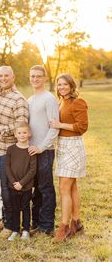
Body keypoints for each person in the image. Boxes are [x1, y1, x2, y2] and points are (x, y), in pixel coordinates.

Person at [0, 66, 29, 236]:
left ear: (13, 77)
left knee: (6, 189)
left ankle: (11, 226)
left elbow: (22, 124)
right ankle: (5, 218)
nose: (3, 78)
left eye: (6, 75)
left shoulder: (18, 99)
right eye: (0, 75)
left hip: (7, 152)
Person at [49, 73, 88, 242]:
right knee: (71, 188)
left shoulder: (78, 102)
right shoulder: (61, 101)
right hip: (63, 146)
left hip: (73, 146)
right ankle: (77, 223)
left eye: (65, 85)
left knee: (64, 188)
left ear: (72, 86)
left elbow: (82, 127)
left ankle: (64, 228)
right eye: (59, 85)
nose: (62, 87)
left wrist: (60, 125)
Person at [28, 65, 59, 235]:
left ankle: (47, 226)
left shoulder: (49, 98)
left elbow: (54, 128)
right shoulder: (30, 100)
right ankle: (36, 223)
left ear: (45, 78)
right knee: (36, 189)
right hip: (32, 151)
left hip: (44, 150)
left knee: (45, 188)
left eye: (38, 76)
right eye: (32, 76)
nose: (35, 79)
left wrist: (41, 147)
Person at [5, 122, 37, 241]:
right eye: (19, 133)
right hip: (13, 186)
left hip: (26, 186)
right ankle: (15, 230)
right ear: (15, 134)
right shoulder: (11, 149)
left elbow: (33, 170)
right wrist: (14, 183)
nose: (22, 135)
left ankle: (25, 230)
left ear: (29, 134)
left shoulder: (31, 150)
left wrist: (21, 183)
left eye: (24, 132)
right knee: (15, 208)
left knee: (25, 208)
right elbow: (7, 167)